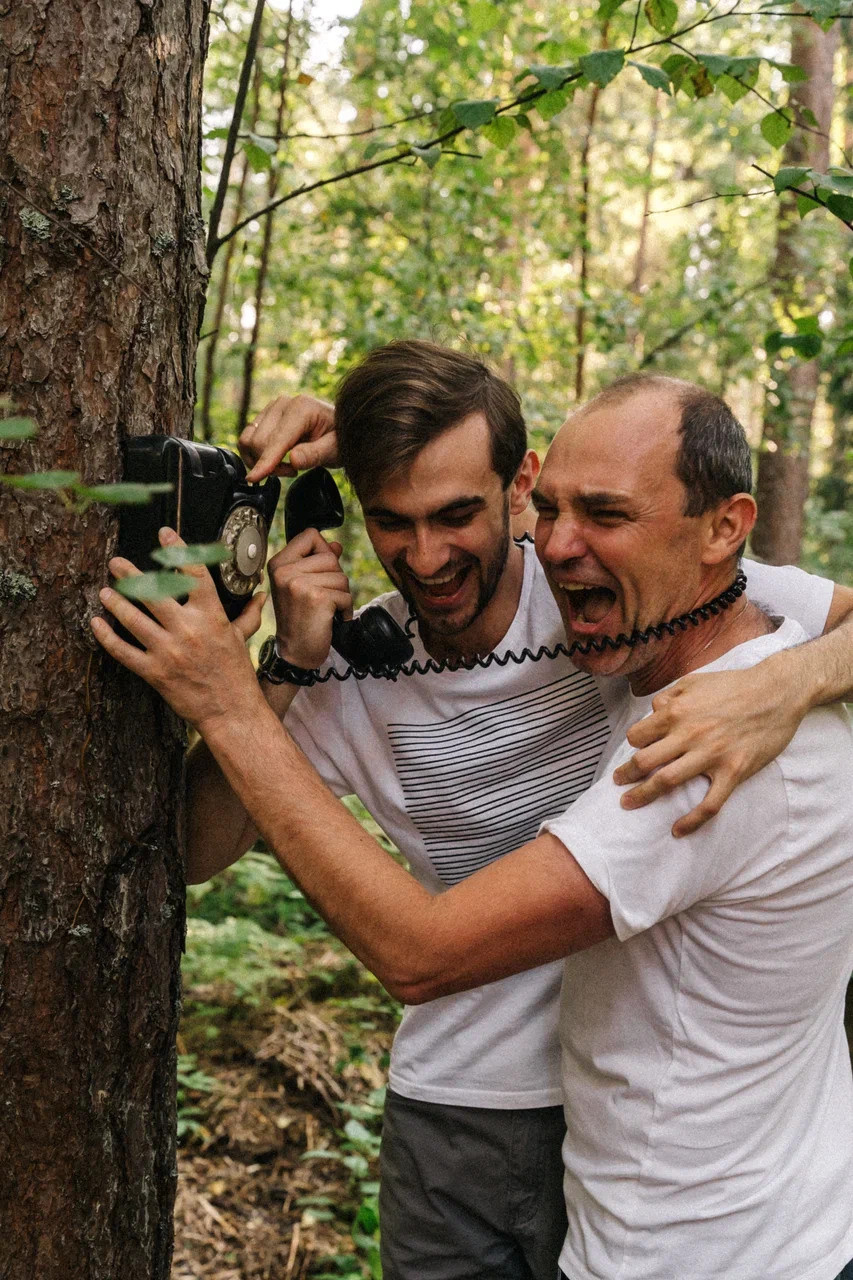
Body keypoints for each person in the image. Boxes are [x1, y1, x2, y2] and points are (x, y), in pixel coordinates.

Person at [92, 362, 853, 1279]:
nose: (424, 555)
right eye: (392, 519)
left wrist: (780, 685)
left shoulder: (619, 597)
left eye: (456, 514)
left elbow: (735, 613)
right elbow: (197, 849)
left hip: (644, 1133)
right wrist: (277, 673)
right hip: (470, 1105)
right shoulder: (359, 651)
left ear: (515, 486)